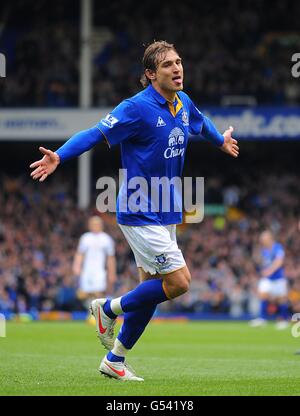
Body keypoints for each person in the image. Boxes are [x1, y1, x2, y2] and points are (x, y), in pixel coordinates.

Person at [30, 40, 239, 381]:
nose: (177, 68)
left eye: (179, 62)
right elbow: (95, 134)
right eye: (168, 64)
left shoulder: (182, 102)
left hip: (167, 208)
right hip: (140, 207)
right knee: (180, 282)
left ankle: (116, 359)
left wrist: (221, 141)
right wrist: (60, 156)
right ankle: (108, 308)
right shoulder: (136, 108)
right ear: (150, 74)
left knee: (153, 291)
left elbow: (201, 123)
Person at [73, 216, 116, 313]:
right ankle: (91, 313)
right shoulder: (85, 238)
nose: (95, 226)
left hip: (99, 271)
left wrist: (112, 273)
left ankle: (98, 314)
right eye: (93, 224)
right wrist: (76, 266)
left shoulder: (106, 239)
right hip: (87, 270)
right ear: (89, 225)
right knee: (85, 293)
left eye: (97, 224)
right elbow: (80, 254)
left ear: (101, 225)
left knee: (98, 293)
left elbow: (111, 258)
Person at [249, 230, 289, 329]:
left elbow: (279, 261)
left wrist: (270, 270)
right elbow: (262, 262)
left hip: (278, 278)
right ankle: (262, 319)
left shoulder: (278, 247)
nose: (262, 240)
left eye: (263, 238)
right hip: (267, 278)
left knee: (282, 299)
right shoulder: (264, 250)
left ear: (269, 238)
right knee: (263, 294)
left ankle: (283, 320)